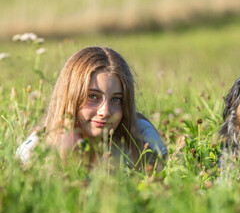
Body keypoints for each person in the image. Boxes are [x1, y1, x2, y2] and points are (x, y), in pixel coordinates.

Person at [16, 46, 167, 170]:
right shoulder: (35, 151)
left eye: (116, 99)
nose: (105, 112)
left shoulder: (141, 136)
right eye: (93, 96)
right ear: (71, 96)